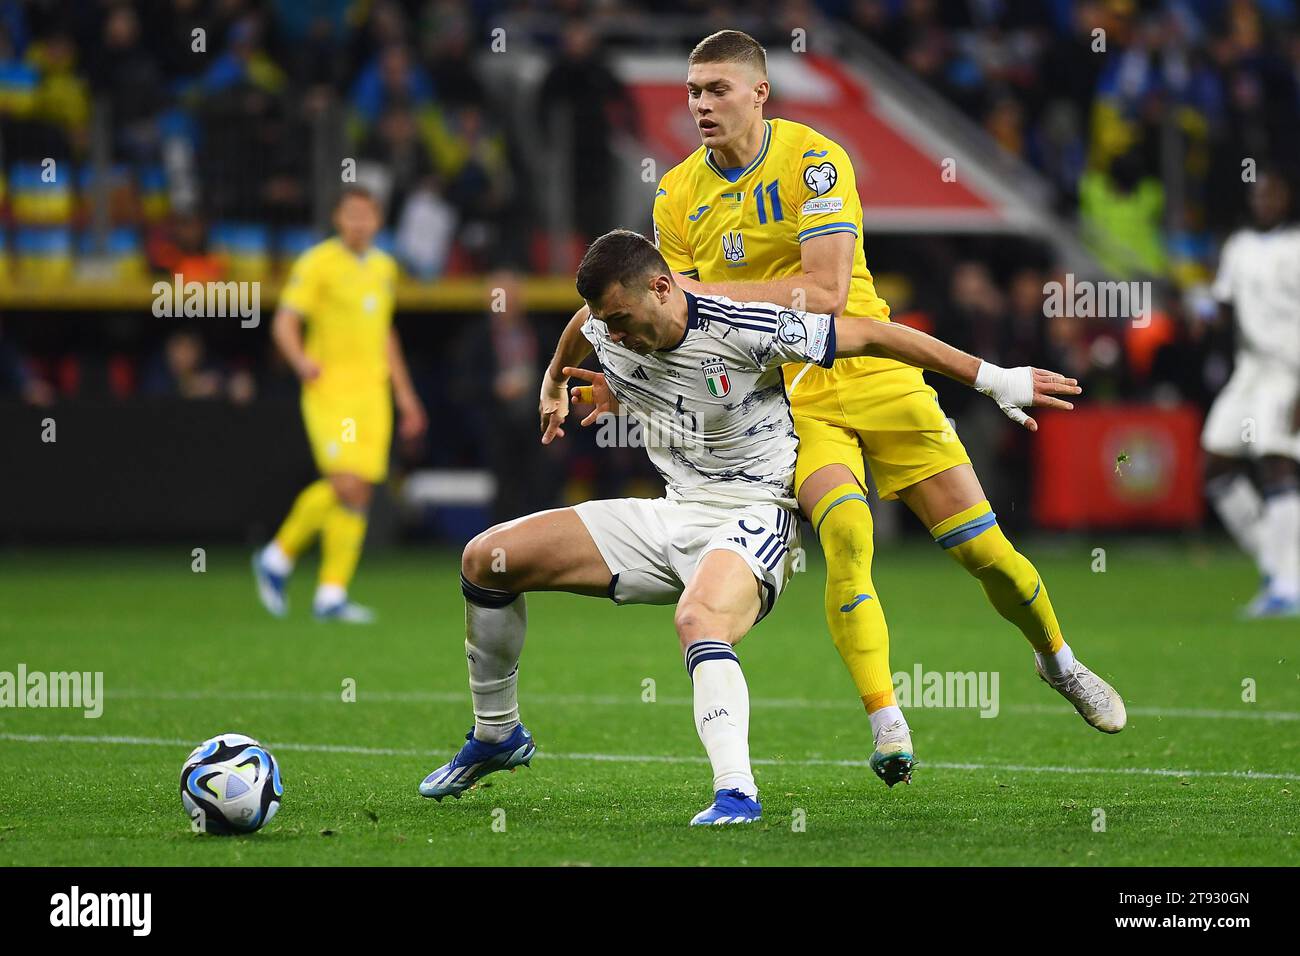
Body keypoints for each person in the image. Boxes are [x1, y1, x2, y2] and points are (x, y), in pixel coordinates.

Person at [418, 229, 1085, 824]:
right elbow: (579, 327)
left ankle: (736, 793)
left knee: (698, 620)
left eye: (621, 320)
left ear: (662, 288)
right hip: (672, 509)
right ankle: (498, 734)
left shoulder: (746, 326)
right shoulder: (606, 322)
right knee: (487, 559)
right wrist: (553, 388)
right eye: (605, 324)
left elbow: (872, 333)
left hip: (753, 514)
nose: (611, 336)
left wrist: (995, 378)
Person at [648, 30, 1127, 785]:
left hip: (878, 366)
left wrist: (706, 295)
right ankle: (886, 718)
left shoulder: (814, 160)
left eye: (718, 89)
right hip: (791, 396)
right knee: (847, 536)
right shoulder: (675, 195)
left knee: (983, 552)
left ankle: (1058, 661)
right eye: (694, 90)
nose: (702, 104)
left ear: (758, 93)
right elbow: (670, 319)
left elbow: (829, 295)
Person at [252, 186, 427, 622]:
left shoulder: (385, 267)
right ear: (337, 219)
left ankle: (330, 593)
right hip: (330, 390)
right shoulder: (317, 264)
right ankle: (277, 555)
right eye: (350, 215)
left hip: (372, 393)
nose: (358, 223)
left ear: (378, 221)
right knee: (346, 484)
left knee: (361, 491)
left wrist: (406, 397)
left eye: (366, 215)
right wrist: (301, 361)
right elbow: (285, 322)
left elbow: (385, 334)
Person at [1202, 167, 1300, 618]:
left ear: (1286, 199)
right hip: (1249, 370)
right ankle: (1273, 558)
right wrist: (1200, 309)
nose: (1265, 202)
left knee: (1275, 460)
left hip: (1287, 369)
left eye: (1273, 194)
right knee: (1216, 465)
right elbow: (1224, 308)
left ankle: (1288, 584)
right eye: (1259, 195)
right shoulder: (1238, 247)